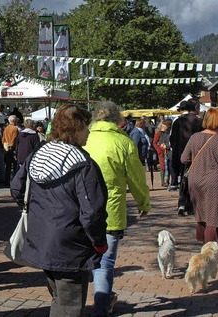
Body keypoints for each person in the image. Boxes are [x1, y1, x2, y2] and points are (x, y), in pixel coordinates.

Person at [10, 104, 108, 317]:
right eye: (86, 127)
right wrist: (99, 242)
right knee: (69, 305)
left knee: (59, 297)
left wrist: (36, 212)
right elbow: (92, 212)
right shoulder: (83, 163)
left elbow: (17, 188)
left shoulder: (39, 154)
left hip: (41, 238)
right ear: (77, 128)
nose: (89, 132)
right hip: (70, 245)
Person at [84, 101, 150, 317]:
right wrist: (143, 202)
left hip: (81, 211)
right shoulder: (123, 141)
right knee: (105, 263)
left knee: (82, 261)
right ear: (117, 119)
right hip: (110, 212)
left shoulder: (84, 138)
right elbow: (136, 177)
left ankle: (79, 305)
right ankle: (100, 308)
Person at [181, 108, 218, 249]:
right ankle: (211, 247)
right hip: (214, 181)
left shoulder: (194, 137)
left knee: (202, 213)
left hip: (195, 180)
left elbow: (184, 158)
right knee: (215, 216)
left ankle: (203, 240)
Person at [169, 99, 203, 215]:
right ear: (196, 108)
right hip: (196, 155)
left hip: (181, 154)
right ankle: (191, 204)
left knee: (184, 179)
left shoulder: (178, 121)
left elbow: (172, 139)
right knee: (195, 180)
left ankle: (182, 203)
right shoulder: (199, 122)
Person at [154, 119, 172, 187]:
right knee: (162, 166)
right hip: (161, 152)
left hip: (168, 151)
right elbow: (154, 143)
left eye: (164, 124)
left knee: (169, 166)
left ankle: (167, 181)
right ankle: (163, 181)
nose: (162, 125)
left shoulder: (170, 132)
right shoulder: (159, 133)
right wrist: (159, 150)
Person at [2, 115, 19, 185]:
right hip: (12, 149)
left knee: (8, 166)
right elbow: (14, 139)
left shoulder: (6, 128)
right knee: (15, 166)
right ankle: (15, 181)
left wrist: (5, 145)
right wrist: (11, 147)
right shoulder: (15, 128)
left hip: (6, 148)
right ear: (14, 121)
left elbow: (3, 139)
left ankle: (7, 180)